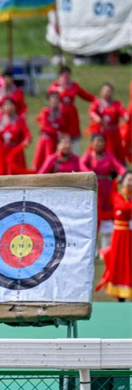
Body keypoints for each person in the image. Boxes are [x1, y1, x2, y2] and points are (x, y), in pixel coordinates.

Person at [81, 133, 127, 249]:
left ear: (105, 143)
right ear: (92, 143)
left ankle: (105, 246)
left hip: (107, 189)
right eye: (96, 141)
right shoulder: (89, 156)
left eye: (101, 141)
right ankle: (92, 246)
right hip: (93, 189)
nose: (99, 143)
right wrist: (89, 174)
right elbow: (81, 165)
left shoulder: (109, 155)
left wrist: (125, 175)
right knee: (93, 216)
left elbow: (119, 167)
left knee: (107, 215)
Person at [96, 172, 132, 301]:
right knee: (118, 261)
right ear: (122, 181)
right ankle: (119, 292)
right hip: (119, 234)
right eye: (129, 180)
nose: (130, 183)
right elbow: (121, 207)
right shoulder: (117, 196)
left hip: (129, 234)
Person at [47, 66, 94, 148]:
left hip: (71, 113)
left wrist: (96, 100)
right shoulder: (56, 85)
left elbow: (85, 95)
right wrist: (59, 88)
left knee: (73, 134)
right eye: (64, 74)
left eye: (67, 74)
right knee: (60, 132)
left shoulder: (74, 85)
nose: (66, 76)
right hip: (59, 112)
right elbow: (50, 91)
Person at [0, 98, 31, 176]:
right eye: (6, 105)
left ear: (15, 107)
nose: (8, 107)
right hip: (2, 150)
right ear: (2, 107)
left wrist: (26, 141)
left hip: (15, 152)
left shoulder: (20, 120)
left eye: (11, 104)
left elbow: (27, 134)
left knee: (15, 175)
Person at [89, 83, 128, 165]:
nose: (107, 92)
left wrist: (125, 115)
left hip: (114, 133)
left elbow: (122, 111)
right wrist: (96, 117)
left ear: (112, 92)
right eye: (105, 91)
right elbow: (92, 111)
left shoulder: (116, 103)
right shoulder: (98, 102)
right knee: (101, 148)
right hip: (102, 132)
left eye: (109, 91)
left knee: (117, 150)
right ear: (101, 92)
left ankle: (118, 167)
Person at [33, 93, 65, 171]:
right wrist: (56, 131)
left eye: (57, 99)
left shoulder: (60, 112)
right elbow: (44, 126)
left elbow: (62, 125)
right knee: (45, 159)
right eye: (53, 99)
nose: (55, 101)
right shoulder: (45, 111)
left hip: (55, 140)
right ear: (49, 101)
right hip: (46, 140)